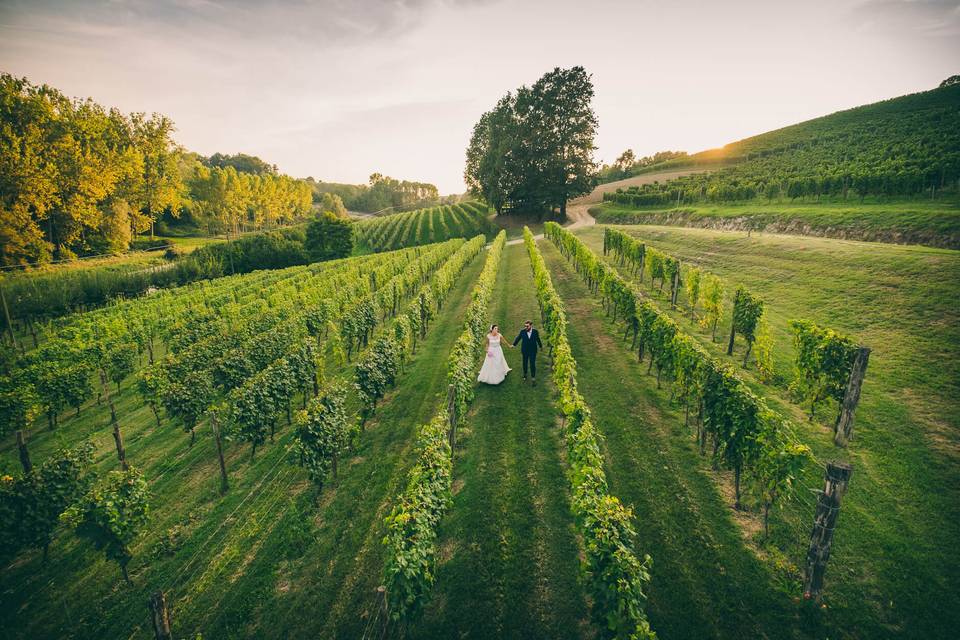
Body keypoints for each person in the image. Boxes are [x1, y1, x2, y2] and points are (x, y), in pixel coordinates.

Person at [512, 320, 543, 384]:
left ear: (531, 326)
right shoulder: (522, 332)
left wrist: (540, 346)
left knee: (532, 364)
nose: (526, 328)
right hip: (525, 350)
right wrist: (514, 345)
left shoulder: (535, 332)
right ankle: (525, 374)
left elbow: (538, 339)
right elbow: (518, 338)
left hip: (533, 351)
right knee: (525, 363)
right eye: (525, 326)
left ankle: (533, 377)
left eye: (527, 326)